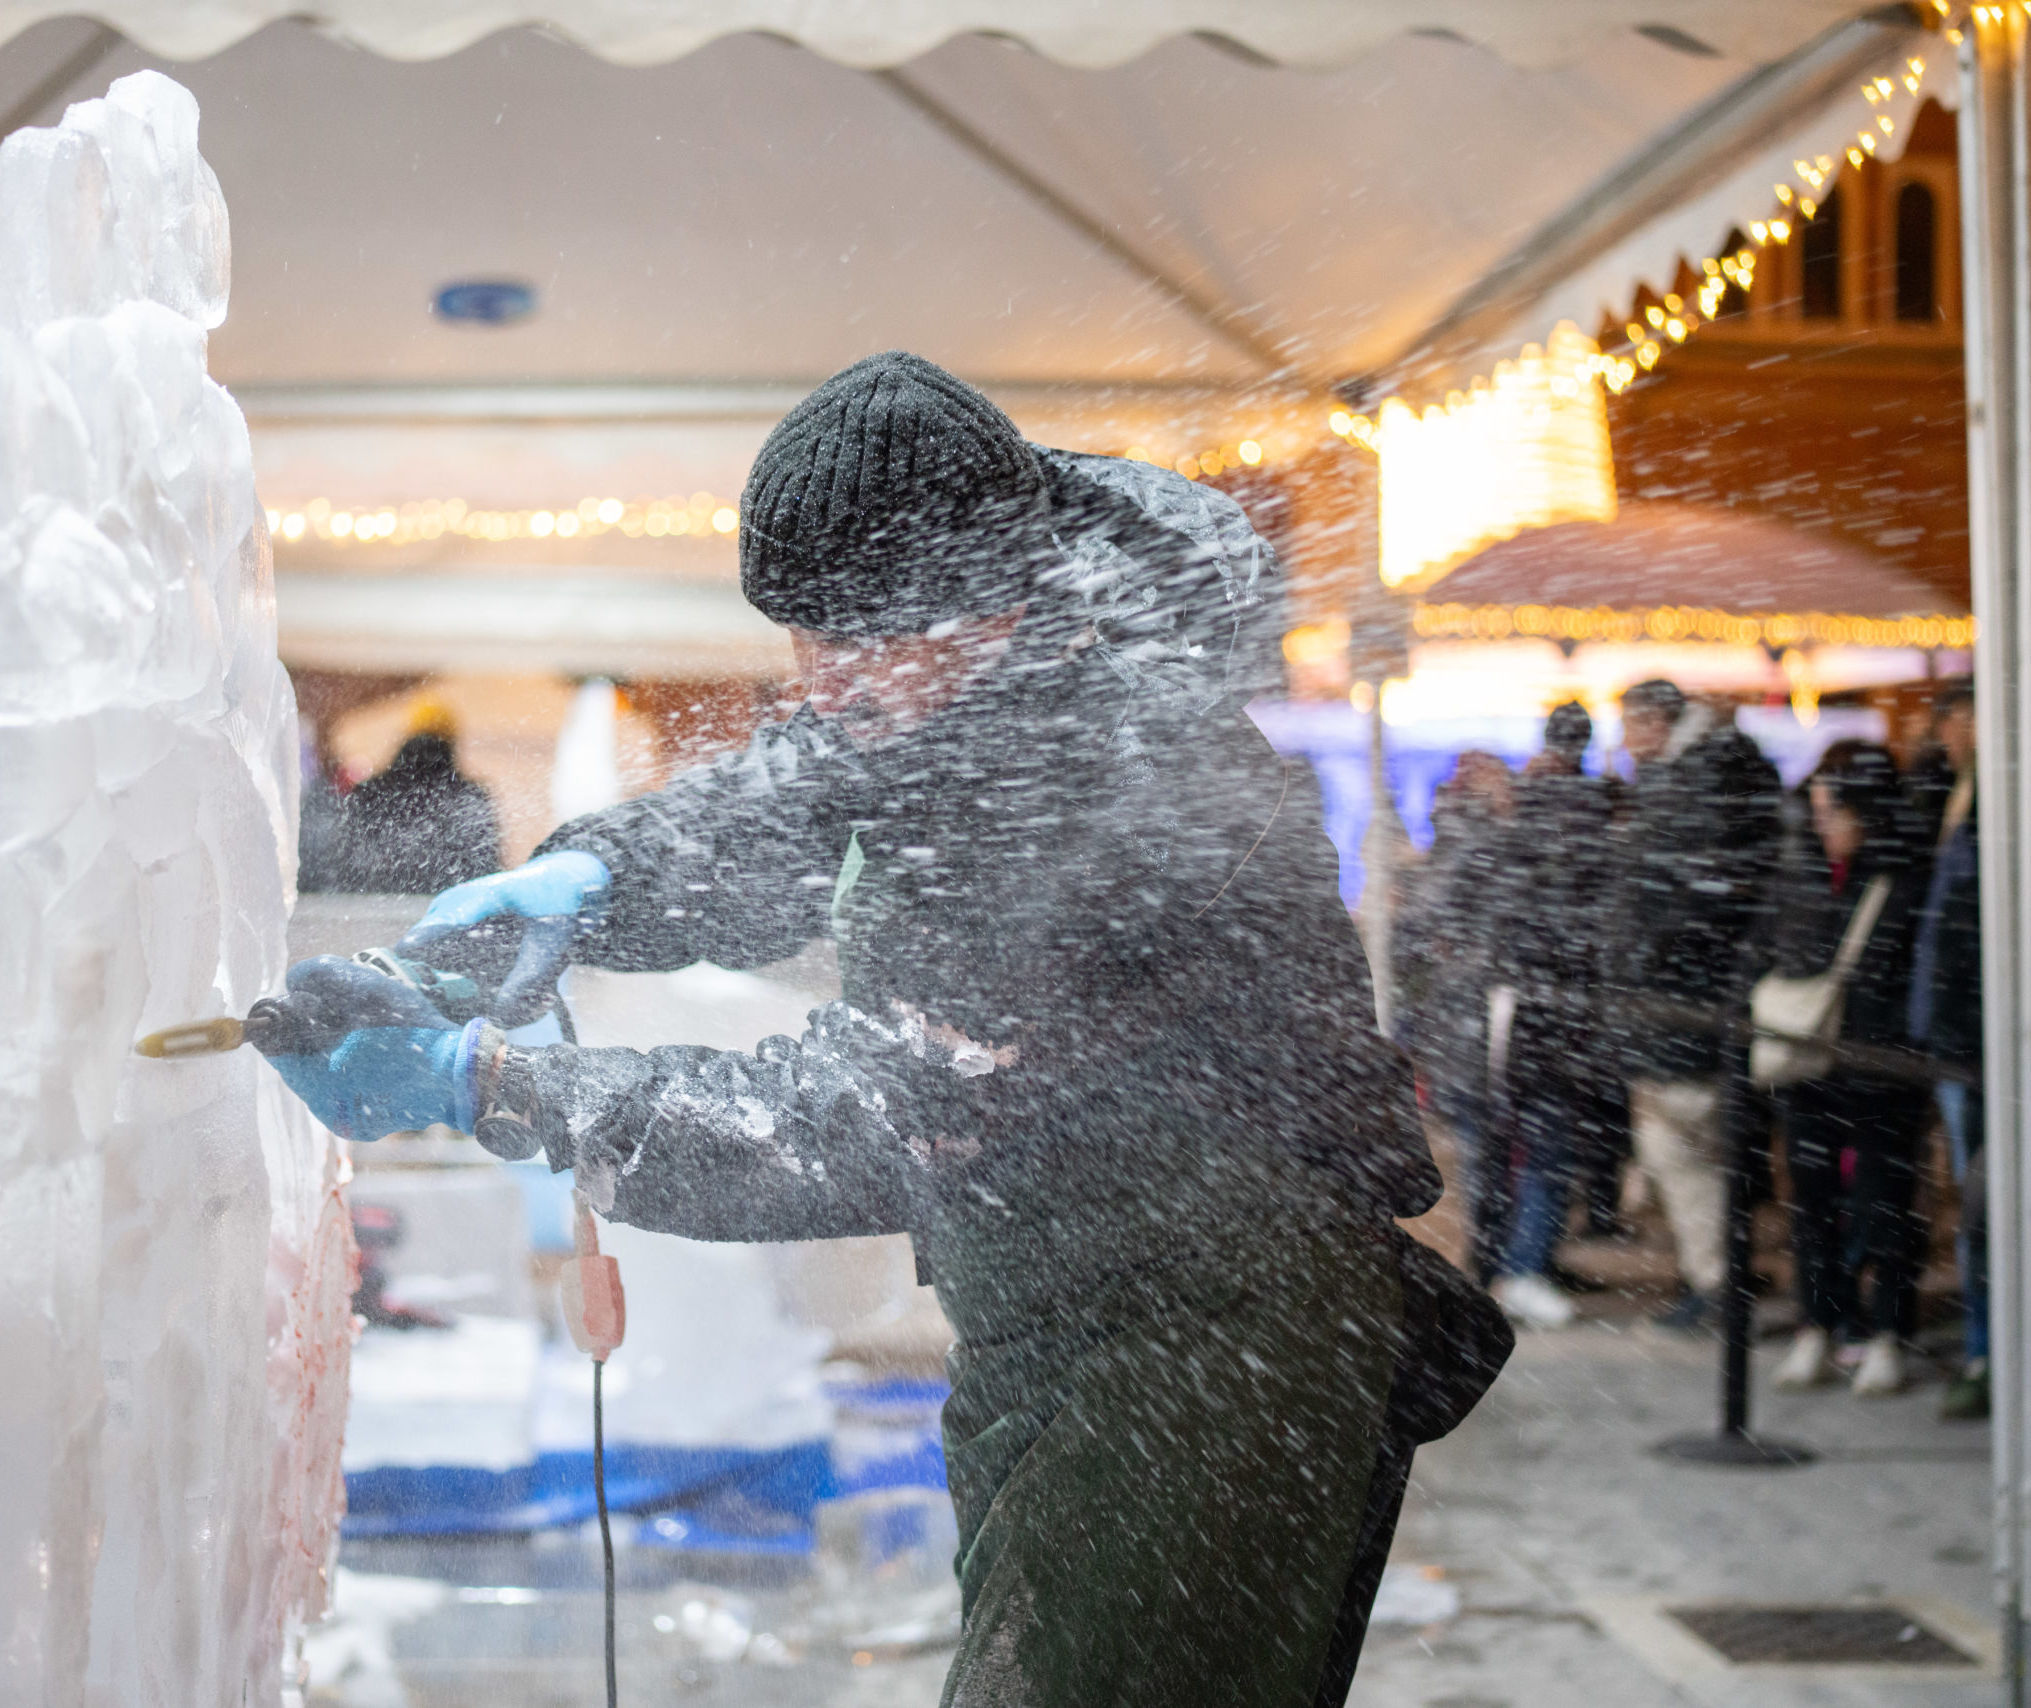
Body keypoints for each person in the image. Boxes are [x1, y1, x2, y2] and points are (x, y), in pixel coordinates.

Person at [262, 352, 1512, 1704]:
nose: (824, 674)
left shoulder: (1124, 788)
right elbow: (791, 796)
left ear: (987, 599)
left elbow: (866, 1116)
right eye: (805, 634)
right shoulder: (971, 685)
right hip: (1055, 1302)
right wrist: (596, 880)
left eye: (859, 635)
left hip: (1209, 1341)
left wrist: (500, 1087)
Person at [1599, 678, 1783, 1331]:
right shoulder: (1717, 774)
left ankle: (1716, 1280)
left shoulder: (1695, 782)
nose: (1623, 742)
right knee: (1699, 1146)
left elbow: (1688, 901)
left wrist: (1645, 963)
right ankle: (1719, 1273)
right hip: (1694, 998)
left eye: (1628, 725)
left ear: (1655, 722)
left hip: (1685, 1003)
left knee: (1682, 1145)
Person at [1764, 742, 1931, 1398]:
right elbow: (1770, 947)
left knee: (1885, 1202)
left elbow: (1914, 973)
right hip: (1811, 1062)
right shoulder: (1802, 868)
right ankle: (1819, 1322)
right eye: (1819, 811)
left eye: (1834, 811)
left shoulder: (1903, 878)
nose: (1824, 823)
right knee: (1812, 1204)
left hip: (1883, 1068)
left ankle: (1888, 1329)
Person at [1474, 702, 1619, 1330]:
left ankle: (1519, 1263)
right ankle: (1522, 1268)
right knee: (1550, 1144)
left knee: (1532, 1144)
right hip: (1549, 1011)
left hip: (1526, 1009)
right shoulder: (1580, 813)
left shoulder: (1526, 813)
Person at [1393, 750, 1516, 1278]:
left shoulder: (1451, 846)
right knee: (1482, 1141)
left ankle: (1490, 1259)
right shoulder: (1481, 844)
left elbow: (1418, 928)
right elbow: (1426, 926)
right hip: (1476, 1012)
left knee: (1481, 1141)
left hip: (1464, 1013)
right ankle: (1489, 1260)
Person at [1906, 680, 1988, 1420]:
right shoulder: (1955, 799)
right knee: (1972, 1204)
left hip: (1981, 1042)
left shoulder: (1992, 803)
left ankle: (1992, 1348)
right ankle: (1983, 1342)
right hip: (1960, 1036)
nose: (1948, 734)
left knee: (1988, 1206)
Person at [318, 704, 504, 893]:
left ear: (408, 734)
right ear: (452, 741)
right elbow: (486, 866)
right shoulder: (468, 796)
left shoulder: (372, 789)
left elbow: (344, 860)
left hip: (371, 901)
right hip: (439, 905)